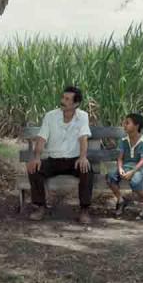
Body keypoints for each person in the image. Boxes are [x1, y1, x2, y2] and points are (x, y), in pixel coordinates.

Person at [26, 86, 93, 223]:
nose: (63, 101)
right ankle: (40, 207)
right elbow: (41, 138)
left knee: (86, 169)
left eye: (67, 99)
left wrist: (82, 157)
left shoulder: (82, 116)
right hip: (54, 160)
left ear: (76, 104)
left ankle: (84, 210)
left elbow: (83, 138)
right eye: (63, 97)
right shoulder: (50, 116)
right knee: (34, 169)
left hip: (74, 160)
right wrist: (37, 157)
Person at [107, 113, 143, 220]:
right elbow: (120, 158)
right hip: (125, 167)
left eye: (127, 123)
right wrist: (120, 168)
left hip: (138, 169)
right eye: (124, 123)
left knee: (135, 182)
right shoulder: (123, 141)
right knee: (110, 176)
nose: (124, 125)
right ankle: (120, 200)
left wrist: (132, 172)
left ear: (136, 126)